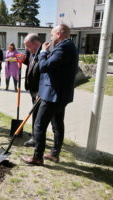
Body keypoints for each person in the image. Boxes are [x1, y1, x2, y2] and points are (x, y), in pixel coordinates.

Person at [22, 24, 79, 165]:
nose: (51, 37)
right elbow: (55, 69)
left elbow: (44, 67)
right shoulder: (68, 46)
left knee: (39, 125)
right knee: (57, 124)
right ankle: (54, 154)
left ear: (59, 33)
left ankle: (37, 157)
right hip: (57, 94)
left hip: (53, 95)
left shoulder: (63, 47)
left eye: (52, 34)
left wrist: (43, 53)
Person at [22, 33, 42, 147]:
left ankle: (35, 138)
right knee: (35, 113)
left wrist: (41, 92)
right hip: (33, 89)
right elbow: (29, 62)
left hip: (39, 90)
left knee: (38, 115)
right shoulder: (32, 52)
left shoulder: (43, 54)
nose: (26, 48)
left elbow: (44, 74)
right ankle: (35, 134)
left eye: (27, 45)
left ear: (36, 43)